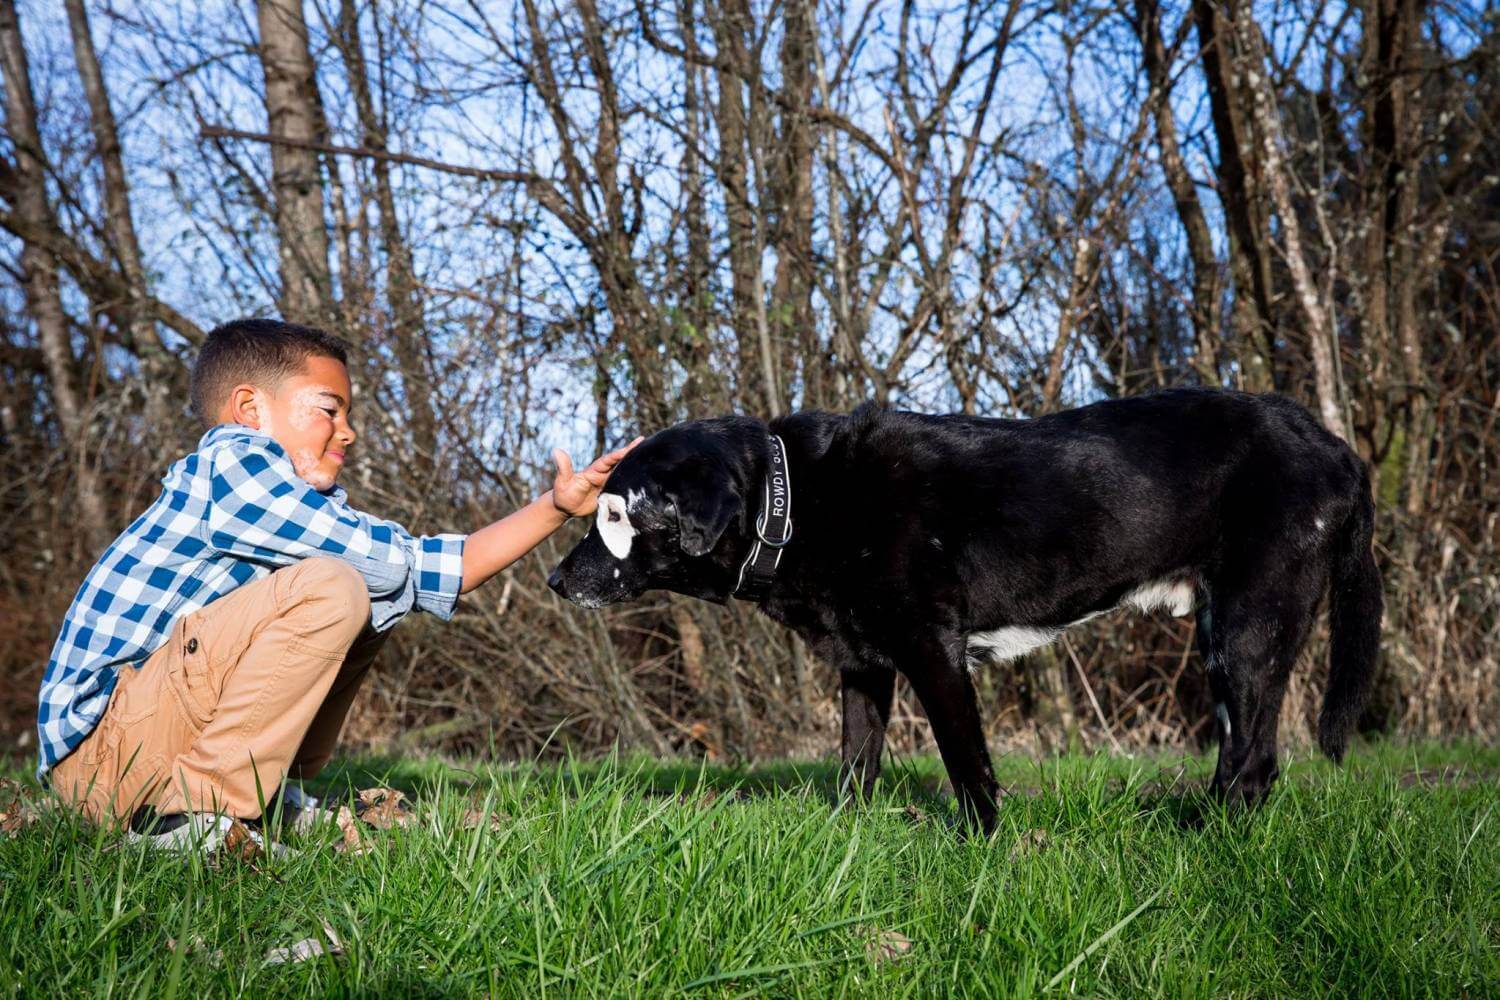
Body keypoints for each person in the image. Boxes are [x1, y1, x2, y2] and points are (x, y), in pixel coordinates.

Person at [36, 318, 637, 852]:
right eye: (329, 409)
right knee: (335, 585)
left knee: (363, 590)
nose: (347, 432)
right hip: (105, 760)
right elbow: (402, 566)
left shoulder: (285, 507)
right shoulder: (232, 463)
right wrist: (406, 568)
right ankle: (196, 816)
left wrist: (555, 508)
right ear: (249, 409)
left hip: (135, 750)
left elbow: (422, 570)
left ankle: (256, 796)